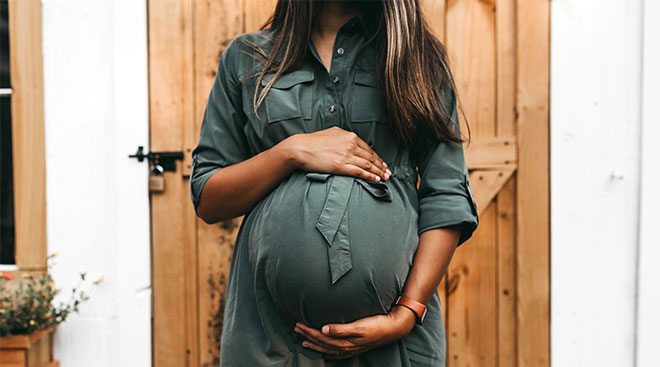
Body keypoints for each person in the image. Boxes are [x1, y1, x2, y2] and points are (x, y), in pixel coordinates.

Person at [189, 0, 479, 366]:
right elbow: (209, 199)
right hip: (272, 340)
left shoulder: (417, 57)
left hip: (393, 345)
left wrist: (406, 314)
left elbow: (447, 195)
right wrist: (290, 152)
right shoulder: (247, 58)